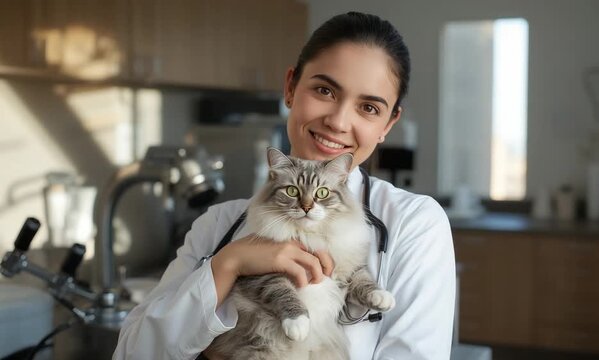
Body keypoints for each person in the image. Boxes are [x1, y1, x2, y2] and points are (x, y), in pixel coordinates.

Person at [113, 11, 455, 360]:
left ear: (388, 123)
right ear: (290, 87)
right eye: (324, 90)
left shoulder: (415, 223)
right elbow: (132, 353)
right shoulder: (218, 225)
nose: (338, 122)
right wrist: (227, 265)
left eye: (368, 107)